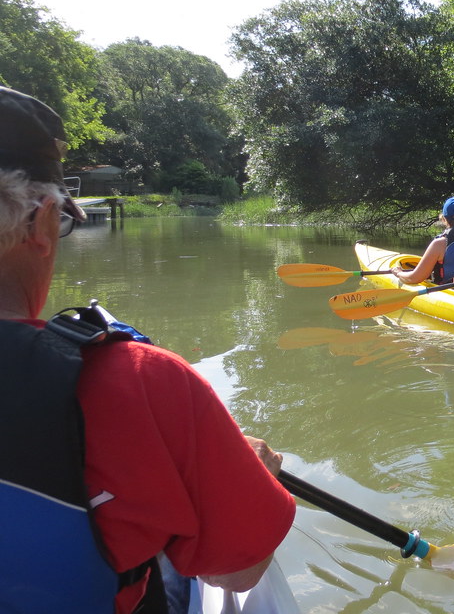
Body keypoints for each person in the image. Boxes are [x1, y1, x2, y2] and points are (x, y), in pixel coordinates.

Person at [0, 86, 295, 613]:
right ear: (41, 222)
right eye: (65, 220)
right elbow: (238, 571)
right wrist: (252, 477)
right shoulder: (137, 381)